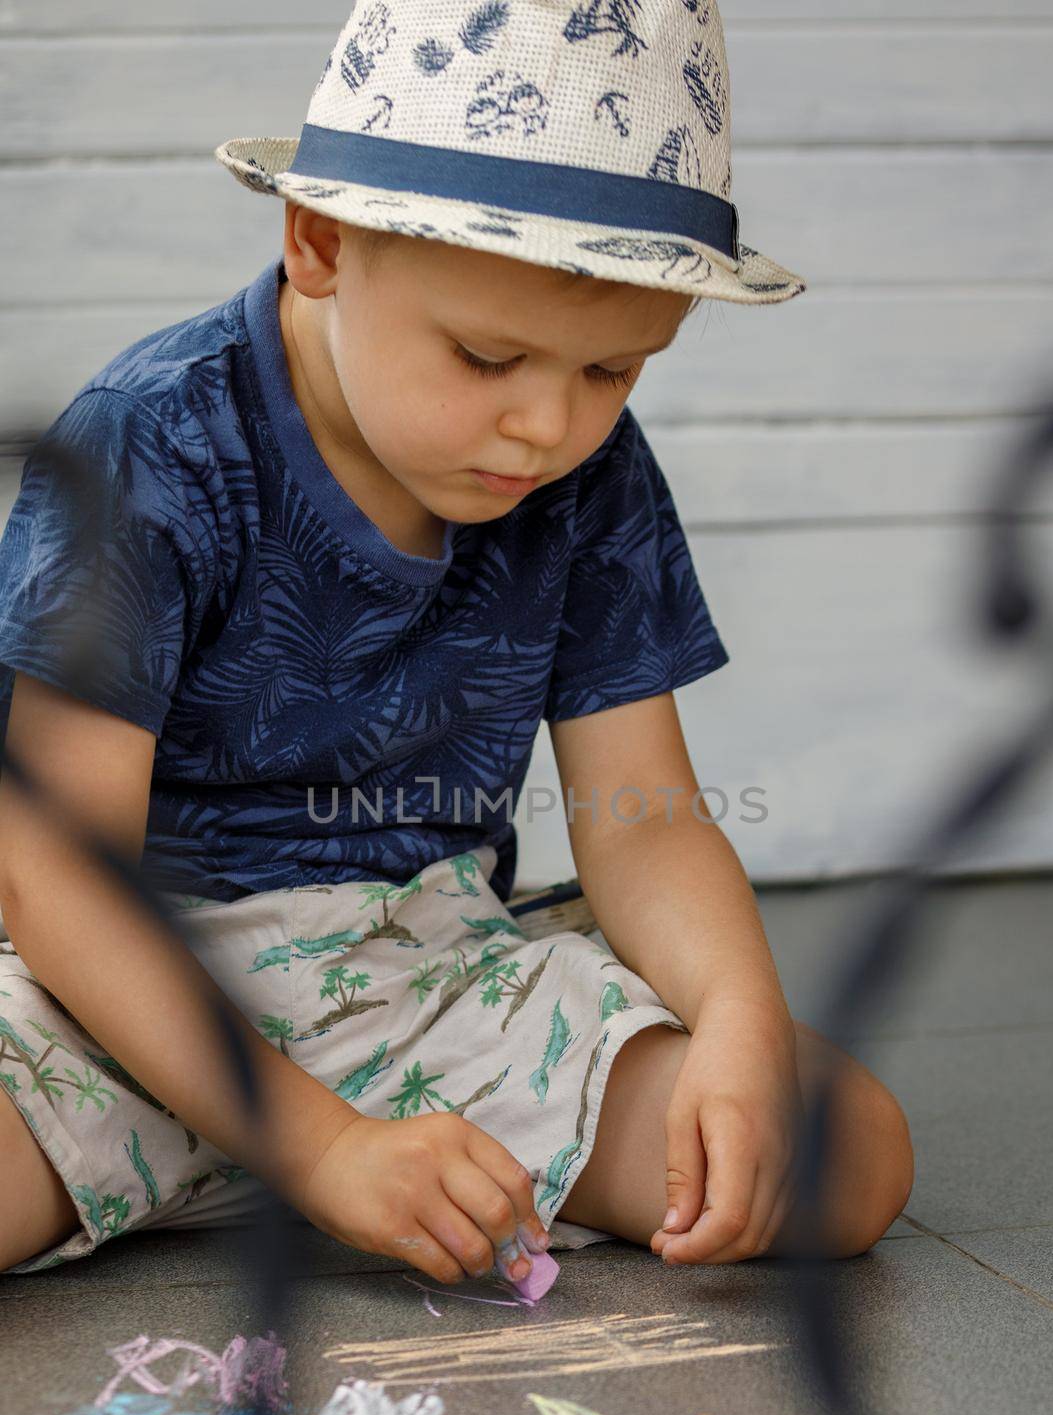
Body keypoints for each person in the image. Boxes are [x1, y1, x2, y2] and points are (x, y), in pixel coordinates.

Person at [0, 0, 912, 1283]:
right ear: (320, 240)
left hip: (416, 976)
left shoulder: (586, 484)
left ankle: (302, 1176)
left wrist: (738, 1020)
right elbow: (57, 874)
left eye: (611, 373)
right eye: (489, 356)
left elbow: (642, 818)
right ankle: (243, 1163)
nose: (546, 427)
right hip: (124, 995)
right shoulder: (147, 447)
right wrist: (317, 1150)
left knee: (838, 1150)